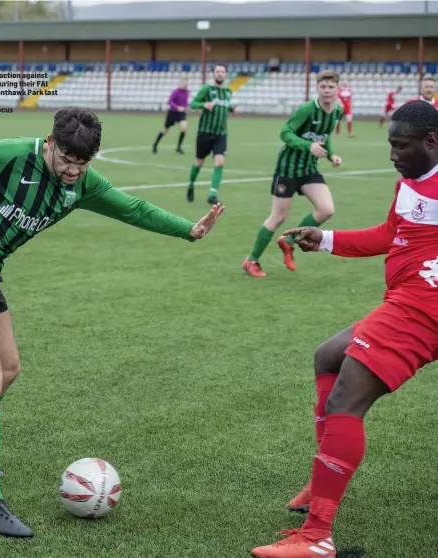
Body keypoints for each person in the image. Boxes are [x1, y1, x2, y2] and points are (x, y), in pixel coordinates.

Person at [0, 106, 225, 538]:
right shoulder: (12, 156)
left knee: (9, 370)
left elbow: (132, 208)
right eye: (66, 160)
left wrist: (188, 229)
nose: (72, 171)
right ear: (51, 143)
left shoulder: (83, 183)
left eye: (82, 163)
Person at [250, 99, 438, 558]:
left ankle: (317, 537)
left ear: (431, 142)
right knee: (328, 356)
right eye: (391, 144)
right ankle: (321, 487)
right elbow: (389, 235)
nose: (392, 154)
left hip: (425, 303)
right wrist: (326, 239)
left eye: (401, 145)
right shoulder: (412, 182)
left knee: (344, 397)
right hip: (407, 297)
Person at [242, 70, 343, 278]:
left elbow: (325, 137)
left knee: (326, 210)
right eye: (323, 86)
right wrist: (308, 146)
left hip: (308, 170)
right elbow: (285, 132)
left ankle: (288, 242)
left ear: (337, 89)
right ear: (317, 88)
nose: (326, 90)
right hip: (287, 169)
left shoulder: (337, 111)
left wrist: (331, 155)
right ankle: (251, 260)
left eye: (331, 87)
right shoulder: (307, 109)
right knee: (278, 216)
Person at [186, 64, 239, 205]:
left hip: (221, 134)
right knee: (199, 162)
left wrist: (233, 108)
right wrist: (204, 105)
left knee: (220, 162)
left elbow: (225, 107)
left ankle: (212, 194)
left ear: (225, 74)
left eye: (222, 71)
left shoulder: (228, 92)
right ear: (214, 74)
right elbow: (193, 104)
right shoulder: (207, 89)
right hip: (205, 132)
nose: (220, 74)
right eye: (218, 71)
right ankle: (191, 184)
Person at [152, 78, 189, 154]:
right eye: (184, 84)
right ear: (180, 84)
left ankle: (178, 147)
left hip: (181, 113)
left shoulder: (187, 92)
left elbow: (185, 102)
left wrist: (185, 107)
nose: (185, 85)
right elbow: (170, 101)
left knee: (184, 128)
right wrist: (177, 107)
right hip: (173, 113)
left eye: (186, 84)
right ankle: (155, 144)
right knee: (165, 129)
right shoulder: (176, 91)